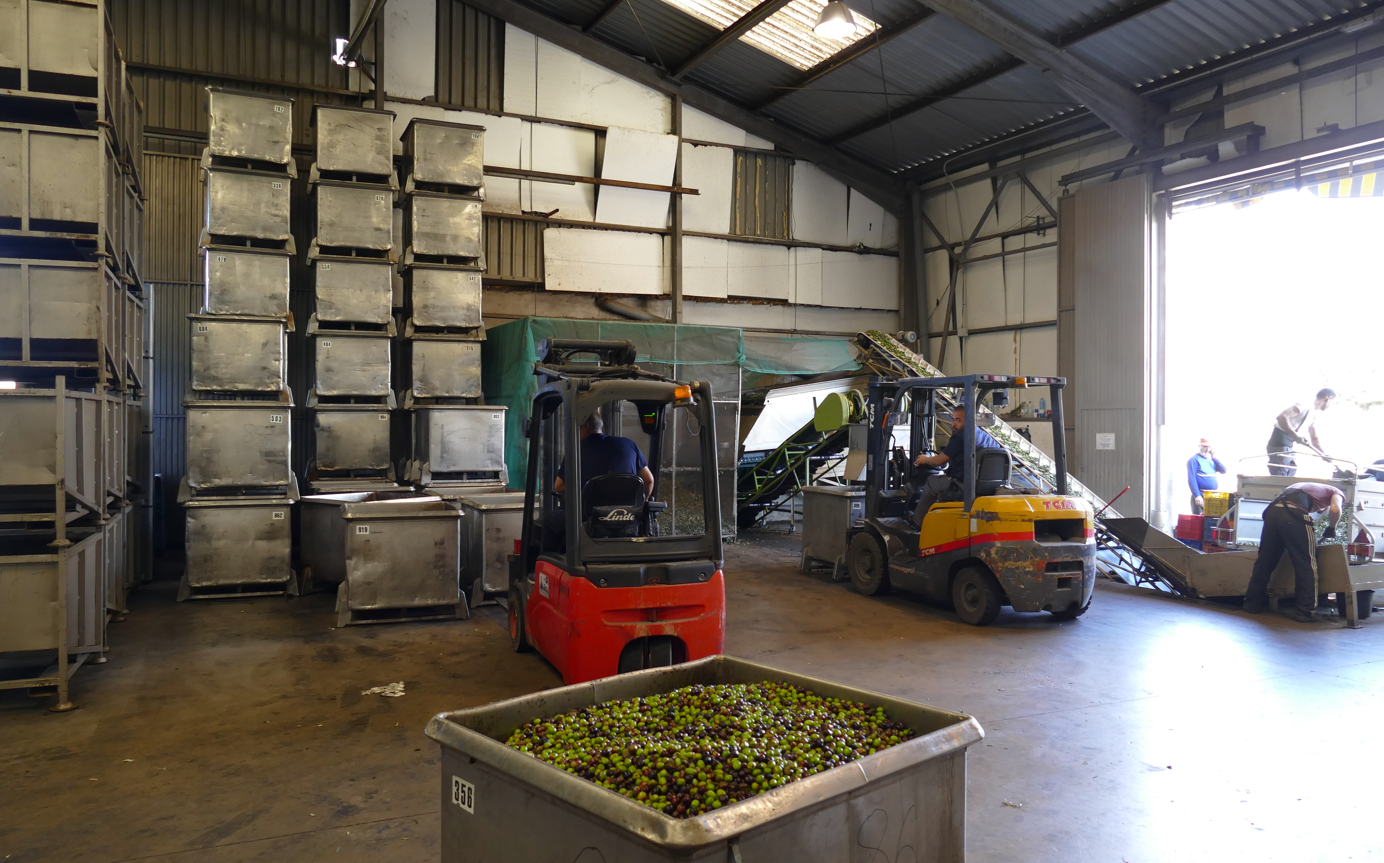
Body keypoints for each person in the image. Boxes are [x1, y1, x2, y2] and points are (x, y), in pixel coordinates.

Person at [1243, 482, 1344, 623]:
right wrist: (1332, 527)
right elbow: (1335, 509)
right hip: (1294, 512)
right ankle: (1306, 612)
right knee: (1306, 563)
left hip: (1272, 511)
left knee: (1264, 561)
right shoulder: (1337, 492)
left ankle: (1251, 604)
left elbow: (1321, 509)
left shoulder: (1302, 487)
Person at [908, 405, 1000, 528]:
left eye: (958, 420)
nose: (953, 424)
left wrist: (926, 459)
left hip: (962, 485)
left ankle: (917, 522)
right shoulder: (985, 437)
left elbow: (939, 461)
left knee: (932, 481)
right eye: (953, 419)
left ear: (969, 420)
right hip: (985, 487)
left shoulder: (961, 437)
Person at [553, 412, 654, 498]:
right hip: (627, 512)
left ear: (586, 426)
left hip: (588, 513)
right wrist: (641, 505)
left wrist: (584, 485)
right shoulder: (629, 444)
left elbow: (559, 486)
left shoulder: (576, 450)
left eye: (575, 429)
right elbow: (648, 480)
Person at [1266, 389, 1336, 476]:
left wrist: (1323, 454)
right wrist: (1295, 435)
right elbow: (1282, 417)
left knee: (1292, 469)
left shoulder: (1313, 414)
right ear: (1328, 399)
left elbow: (1314, 438)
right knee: (1281, 475)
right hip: (1279, 443)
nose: (1331, 405)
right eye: (1332, 402)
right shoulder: (1305, 404)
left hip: (1288, 445)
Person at [1186, 438, 1227, 514]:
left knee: (1211, 518)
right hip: (1201, 495)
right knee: (1199, 518)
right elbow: (1191, 479)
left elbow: (1223, 470)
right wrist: (1197, 495)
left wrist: (1214, 457)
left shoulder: (1211, 460)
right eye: (1204, 447)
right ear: (1199, 446)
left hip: (1212, 495)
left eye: (1208, 447)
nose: (1207, 449)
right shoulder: (1194, 460)